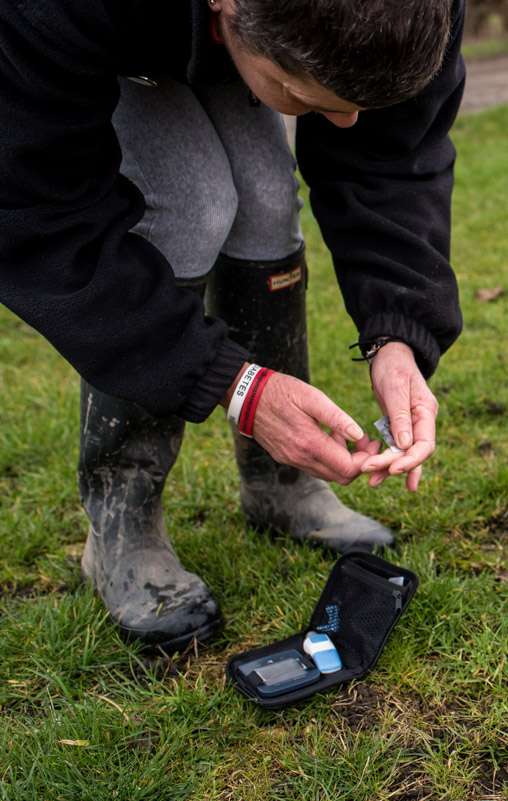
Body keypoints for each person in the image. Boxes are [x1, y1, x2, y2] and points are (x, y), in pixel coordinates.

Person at [0, 0, 466, 651]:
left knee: (268, 197)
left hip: (212, 31)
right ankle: (121, 524)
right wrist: (234, 386)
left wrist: (398, 333)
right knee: (190, 203)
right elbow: (40, 213)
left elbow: (392, 152)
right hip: (102, 33)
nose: (345, 124)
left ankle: (280, 487)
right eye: (305, 97)